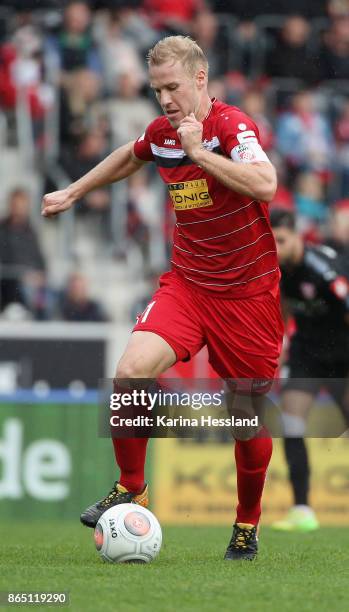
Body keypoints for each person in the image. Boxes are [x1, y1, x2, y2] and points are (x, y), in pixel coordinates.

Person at [42, 35, 283, 561]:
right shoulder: (163, 133)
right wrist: (75, 191)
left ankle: (247, 524)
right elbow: (130, 156)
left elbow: (265, 184)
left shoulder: (230, 125)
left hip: (248, 296)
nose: (166, 100)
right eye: (157, 90)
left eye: (173, 87)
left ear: (201, 79)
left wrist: (199, 152)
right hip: (189, 285)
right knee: (130, 372)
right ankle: (132, 485)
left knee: (246, 417)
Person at [270, 208, 349, 531]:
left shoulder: (323, 269)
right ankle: (302, 510)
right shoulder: (276, 268)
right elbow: (284, 306)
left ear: (297, 237)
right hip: (307, 354)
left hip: (344, 353)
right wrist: (282, 344)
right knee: (291, 423)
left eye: (281, 241)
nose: (274, 248)